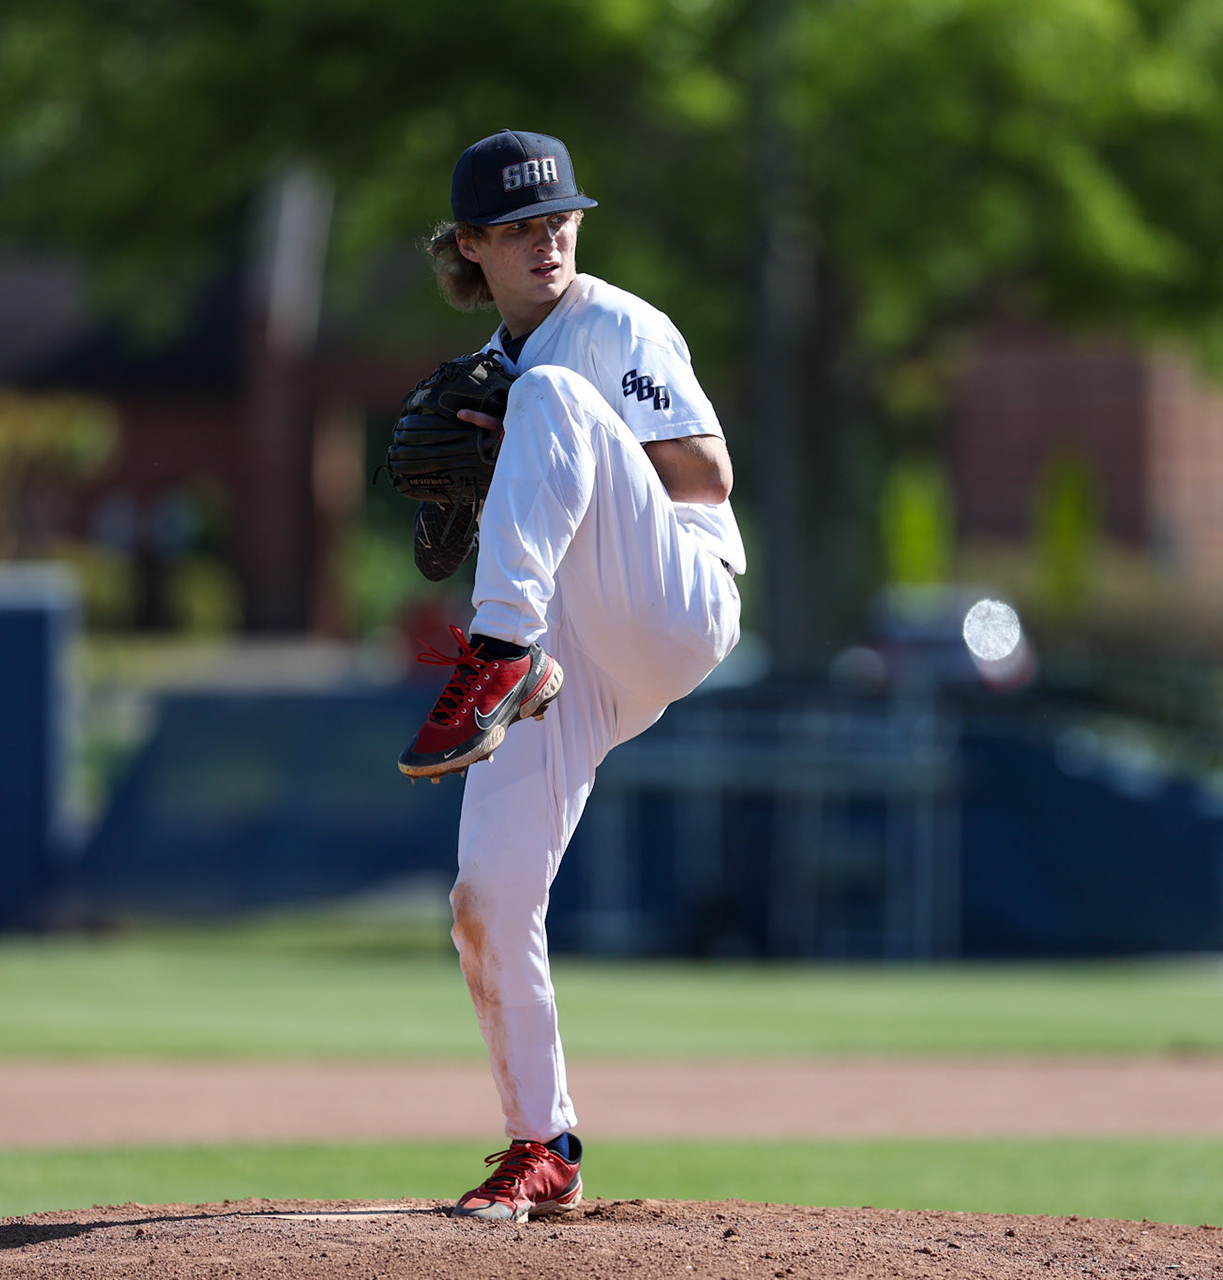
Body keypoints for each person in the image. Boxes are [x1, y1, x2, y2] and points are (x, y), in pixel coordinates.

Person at [399, 129, 746, 1222]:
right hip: (579, 648)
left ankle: (498, 657)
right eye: (518, 225)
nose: (547, 239)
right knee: (486, 895)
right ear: (470, 246)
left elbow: (707, 469)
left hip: (676, 589)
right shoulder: (508, 363)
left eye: (559, 218)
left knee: (550, 400)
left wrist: (537, 425)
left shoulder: (611, 324)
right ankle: (542, 1142)